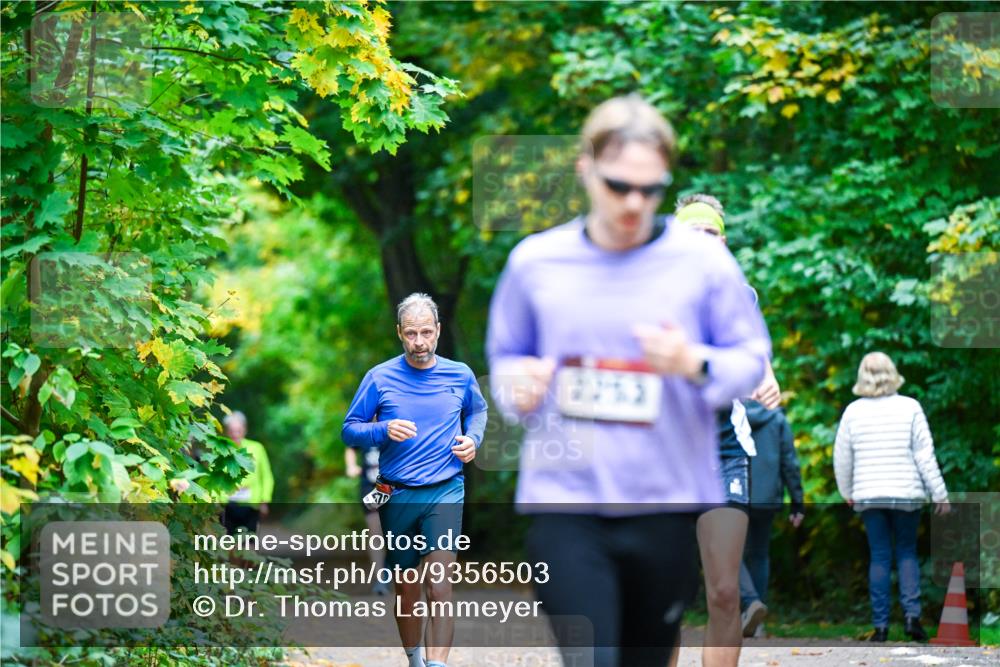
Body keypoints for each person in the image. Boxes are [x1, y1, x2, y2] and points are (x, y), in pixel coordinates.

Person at [486, 95, 772, 667]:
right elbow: (506, 360)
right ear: (585, 170)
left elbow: (751, 361)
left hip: (664, 501)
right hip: (566, 503)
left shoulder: (704, 264)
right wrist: (518, 386)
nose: (635, 203)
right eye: (619, 186)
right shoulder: (535, 263)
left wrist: (694, 362)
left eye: (652, 189)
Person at [341, 292, 488, 667]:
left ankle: (436, 665)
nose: (419, 342)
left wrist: (473, 439)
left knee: (439, 586)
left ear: (438, 331)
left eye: (426, 332)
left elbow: (478, 411)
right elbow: (350, 431)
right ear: (399, 334)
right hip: (397, 492)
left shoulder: (460, 374)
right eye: (411, 334)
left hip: (446, 488)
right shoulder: (379, 377)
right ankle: (415, 659)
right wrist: (384, 429)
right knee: (407, 589)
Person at [670, 193, 781, 667]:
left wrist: (766, 376)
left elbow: (756, 356)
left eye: (711, 233)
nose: (703, 241)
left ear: (724, 239)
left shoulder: (742, 295)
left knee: (723, 591)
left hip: (724, 450)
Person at [833, 351, 950, 643]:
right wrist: (940, 494)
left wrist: (847, 491)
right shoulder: (910, 407)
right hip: (906, 493)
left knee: (880, 556)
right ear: (892, 373)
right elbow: (925, 455)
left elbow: (842, 458)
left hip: (869, 494)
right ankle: (912, 619)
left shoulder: (853, 411)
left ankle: (881, 626)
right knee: (907, 552)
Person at [738, 399, 805, 638]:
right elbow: (790, 463)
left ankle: (750, 603)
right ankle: (758, 620)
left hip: (734, 492)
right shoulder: (776, 419)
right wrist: (797, 503)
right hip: (765, 498)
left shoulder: (730, 413)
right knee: (759, 554)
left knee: (730, 553)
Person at [345, 444, 391, 596]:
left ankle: (392, 569)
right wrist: (351, 466)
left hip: (396, 485)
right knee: (375, 529)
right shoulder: (363, 426)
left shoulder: (399, 421)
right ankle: (380, 578)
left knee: (397, 530)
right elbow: (351, 446)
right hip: (371, 487)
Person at [221, 411, 274, 535]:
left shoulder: (257, 448)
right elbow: (213, 477)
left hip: (251, 504)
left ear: (245, 430)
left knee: (249, 543)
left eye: (238, 430)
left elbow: (266, 476)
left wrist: (264, 500)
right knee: (230, 545)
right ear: (227, 431)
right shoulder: (220, 448)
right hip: (227, 505)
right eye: (232, 431)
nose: (235, 434)